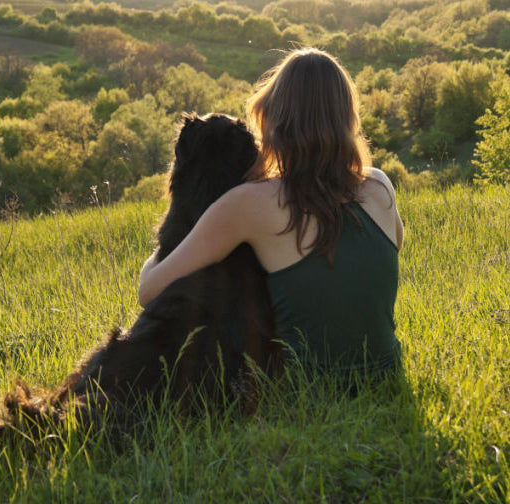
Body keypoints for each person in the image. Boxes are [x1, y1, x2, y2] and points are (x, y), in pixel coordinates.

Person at [139, 48, 403, 376]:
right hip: (388, 373)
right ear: (348, 119)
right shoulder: (380, 186)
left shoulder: (249, 203)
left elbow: (149, 291)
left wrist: (164, 249)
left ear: (274, 119)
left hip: (307, 392)